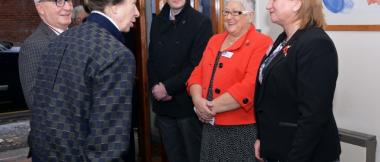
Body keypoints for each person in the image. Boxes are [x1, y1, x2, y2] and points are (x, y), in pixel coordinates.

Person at [29, 0, 139, 161]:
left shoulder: (60, 40)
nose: (137, 12)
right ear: (114, 7)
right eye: (133, 4)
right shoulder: (116, 54)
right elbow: (108, 147)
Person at [253, 0, 341, 161]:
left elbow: (314, 115)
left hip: (304, 153)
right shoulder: (283, 39)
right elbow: (269, 97)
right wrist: (262, 138)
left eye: (274, 0)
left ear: (296, 4)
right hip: (277, 146)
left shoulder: (316, 44)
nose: (268, 6)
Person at [187, 0, 272, 161]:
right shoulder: (214, 40)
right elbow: (197, 73)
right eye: (226, 12)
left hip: (240, 130)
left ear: (250, 16)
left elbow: (250, 86)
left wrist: (208, 109)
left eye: (236, 12)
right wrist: (197, 100)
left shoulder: (262, 43)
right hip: (209, 127)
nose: (229, 17)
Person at [148, 0, 213, 161]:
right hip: (163, 105)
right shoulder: (157, 20)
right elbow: (152, 59)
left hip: (186, 105)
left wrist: (168, 88)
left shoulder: (201, 22)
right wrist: (156, 87)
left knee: (194, 156)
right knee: (173, 157)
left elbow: (196, 65)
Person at [19, 0, 73, 111]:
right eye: (59, 2)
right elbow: (36, 102)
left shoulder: (79, 37)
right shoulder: (34, 45)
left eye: (69, 1)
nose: (68, 7)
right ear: (40, 8)